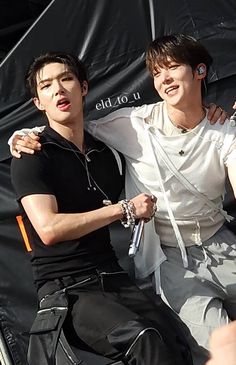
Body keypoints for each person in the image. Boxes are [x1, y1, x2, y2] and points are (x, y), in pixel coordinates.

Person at [9, 35, 235, 365]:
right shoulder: (39, 152)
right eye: (157, 73)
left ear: (84, 88)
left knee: (173, 344)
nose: (58, 90)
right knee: (163, 342)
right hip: (87, 283)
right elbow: (48, 229)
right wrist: (18, 137)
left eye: (66, 79)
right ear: (38, 102)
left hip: (192, 253)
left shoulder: (105, 153)